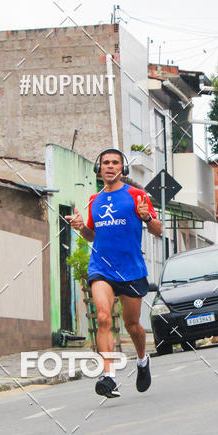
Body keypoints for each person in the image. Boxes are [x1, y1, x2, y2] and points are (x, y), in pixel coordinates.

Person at [66, 148, 162, 398]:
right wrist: (80, 227)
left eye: (115, 163)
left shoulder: (136, 195)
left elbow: (158, 230)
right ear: (100, 168)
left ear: (123, 168)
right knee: (104, 317)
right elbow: (92, 235)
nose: (109, 166)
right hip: (101, 268)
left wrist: (146, 217)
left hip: (130, 270)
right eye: (105, 163)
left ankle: (142, 360)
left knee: (133, 325)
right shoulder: (93, 200)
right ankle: (108, 376)